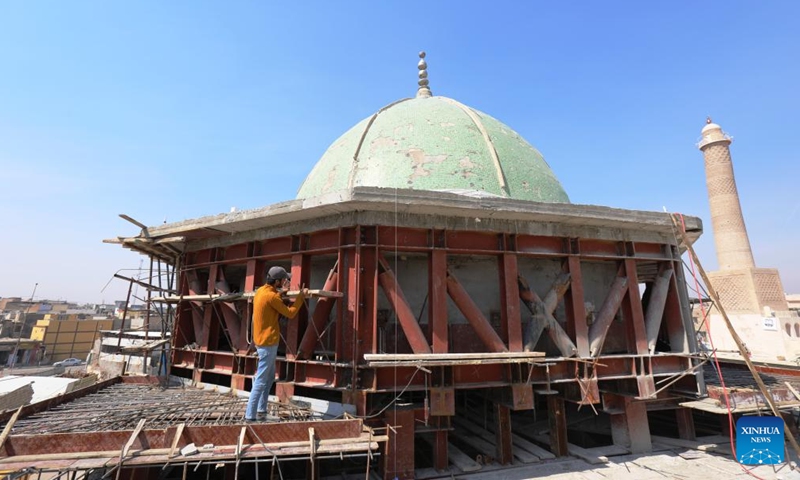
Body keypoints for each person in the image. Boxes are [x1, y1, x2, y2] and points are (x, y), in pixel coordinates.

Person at [245, 266, 307, 422]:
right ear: (277, 281)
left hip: (262, 342)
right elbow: (291, 313)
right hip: (268, 344)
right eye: (284, 280)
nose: (286, 281)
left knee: (269, 377)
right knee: (260, 380)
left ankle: (261, 411)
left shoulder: (261, 292)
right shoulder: (273, 297)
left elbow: (272, 298)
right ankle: (250, 416)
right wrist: (300, 297)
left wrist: (283, 291)